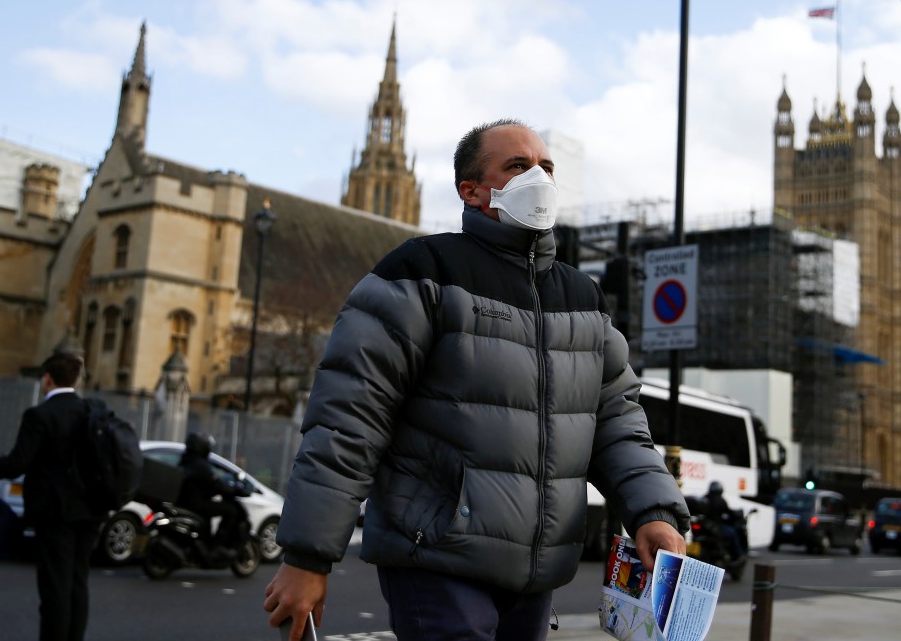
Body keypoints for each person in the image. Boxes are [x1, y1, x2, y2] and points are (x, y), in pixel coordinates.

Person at [264, 119, 689, 641]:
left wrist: (653, 511)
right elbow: (349, 418)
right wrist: (308, 556)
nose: (538, 177)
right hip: (438, 559)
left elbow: (618, 423)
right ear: (472, 190)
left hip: (535, 577)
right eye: (517, 166)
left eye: (546, 167)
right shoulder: (421, 272)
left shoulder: (583, 298)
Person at [0, 349, 104, 641]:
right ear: (78, 379)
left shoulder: (40, 415)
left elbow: (15, 464)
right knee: (77, 584)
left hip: (54, 515)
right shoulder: (90, 412)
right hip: (89, 512)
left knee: (55, 588)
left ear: (47, 380)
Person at [176, 430, 247, 561]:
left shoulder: (186, 460)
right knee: (231, 511)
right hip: (196, 503)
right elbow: (216, 484)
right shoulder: (201, 465)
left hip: (186, 501)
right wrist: (232, 490)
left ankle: (207, 543)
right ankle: (216, 545)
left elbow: (207, 485)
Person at [703, 481, 745, 560]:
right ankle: (739, 555)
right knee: (733, 533)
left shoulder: (705, 498)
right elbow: (729, 512)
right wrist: (737, 514)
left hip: (706, 527)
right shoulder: (720, 500)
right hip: (716, 527)